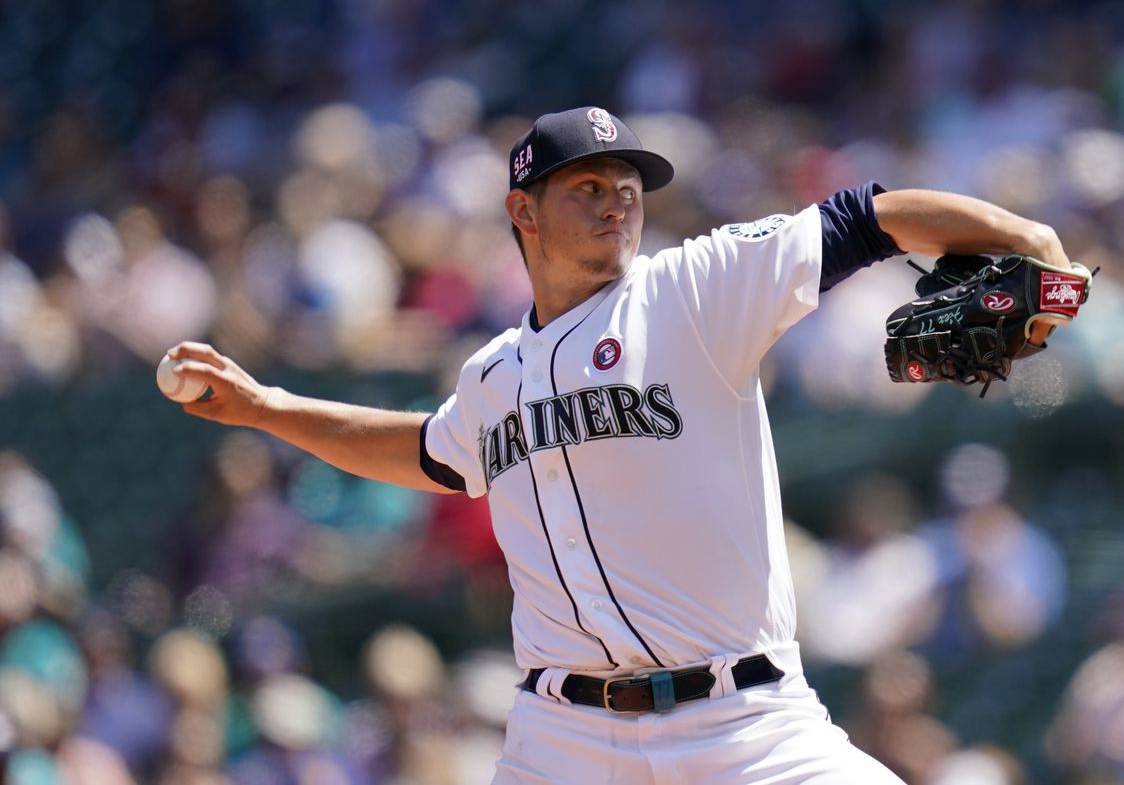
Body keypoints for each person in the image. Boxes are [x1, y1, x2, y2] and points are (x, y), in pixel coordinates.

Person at [169, 106, 1077, 784]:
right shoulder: (494, 373)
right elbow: (431, 455)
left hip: (742, 724)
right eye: (588, 189)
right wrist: (267, 408)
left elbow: (864, 219)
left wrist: (1022, 236)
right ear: (524, 211)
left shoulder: (693, 289)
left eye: (628, 189)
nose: (617, 206)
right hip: (563, 738)